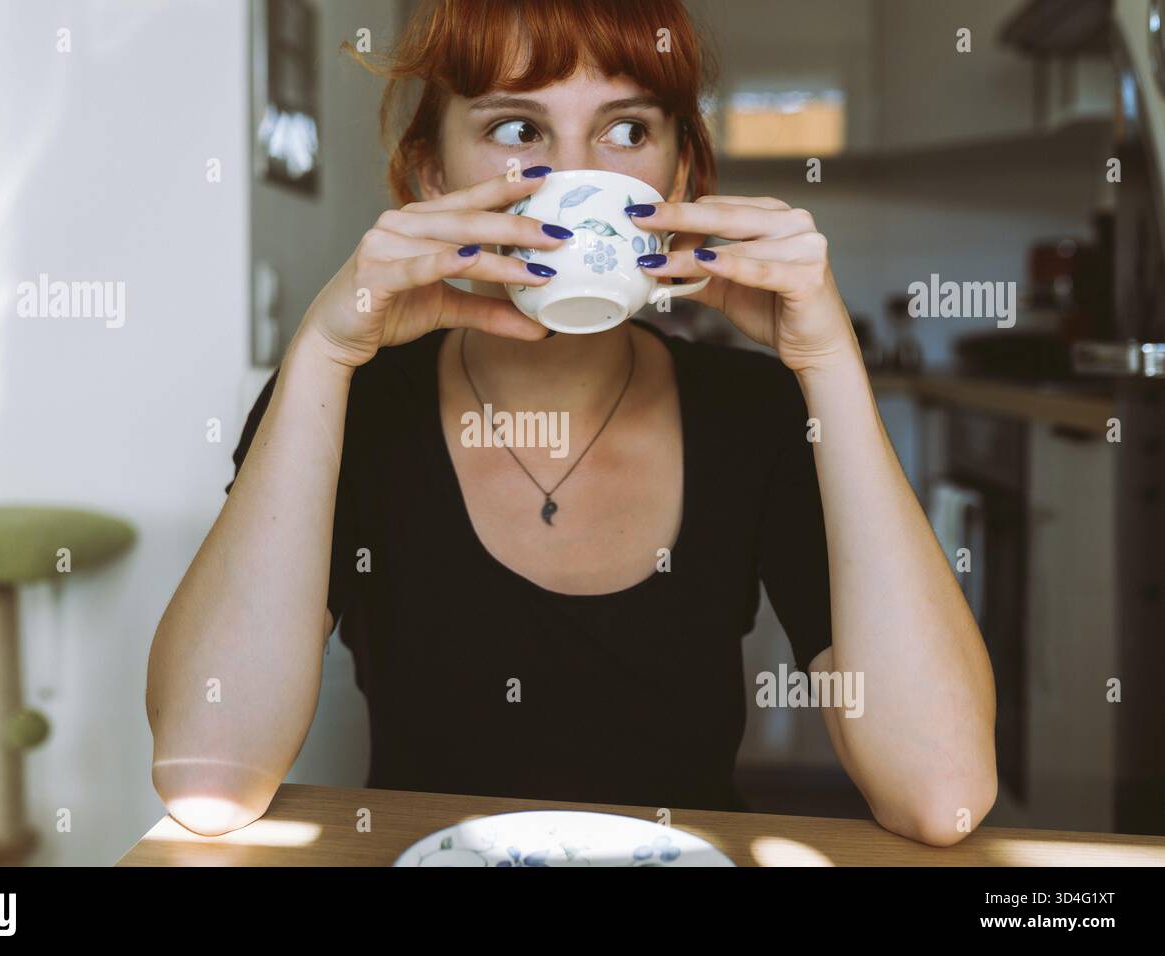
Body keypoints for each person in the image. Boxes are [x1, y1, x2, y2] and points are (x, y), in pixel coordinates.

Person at [146, 0, 997, 845]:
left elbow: (941, 793)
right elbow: (210, 781)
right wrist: (324, 352)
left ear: (679, 176)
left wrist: (830, 364)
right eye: (517, 130)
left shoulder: (758, 413)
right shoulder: (355, 409)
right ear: (433, 177)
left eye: (626, 131)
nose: (570, 176)